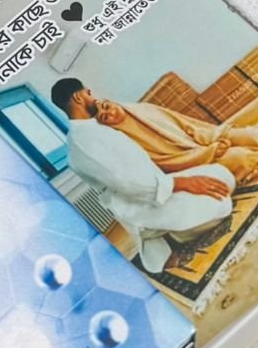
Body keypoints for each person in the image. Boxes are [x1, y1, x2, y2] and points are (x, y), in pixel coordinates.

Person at [50, 76, 238, 273]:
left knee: (222, 174)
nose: (94, 97)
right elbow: (124, 182)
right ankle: (164, 235)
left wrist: (180, 180)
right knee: (221, 205)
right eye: (89, 93)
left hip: (162, 187)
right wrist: (182, 183)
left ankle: (169, 228)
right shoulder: (82, 143)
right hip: (141, 203)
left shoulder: (95, 126)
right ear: (78, 97)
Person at [51, 78, 258, 183]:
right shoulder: (117, 138)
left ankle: (247, 144)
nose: (109, 113)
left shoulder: (140, 110)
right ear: (78, 97)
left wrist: (216, 138)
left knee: (254, 136)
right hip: (195, 161)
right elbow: (166, 163)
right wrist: (211, 152)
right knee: (239, 157)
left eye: (107, 106)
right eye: (104, 117)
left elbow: (187, 125)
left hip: (206, 141)